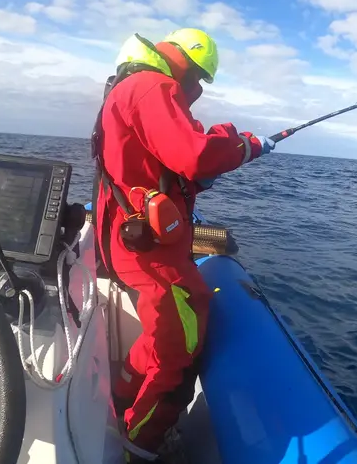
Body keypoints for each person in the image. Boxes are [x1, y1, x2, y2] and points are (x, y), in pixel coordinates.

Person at [91, 28, 275, 462]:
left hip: (127, 239)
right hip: (150, 251)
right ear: (186, 65)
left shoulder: (127, 88)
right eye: (198, 80)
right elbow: (193, 153)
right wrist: (245, 147)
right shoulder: (153, 87)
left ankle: (121, 399)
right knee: (179, 350)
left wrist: (195, 178)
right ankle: (140, 444)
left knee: (161, 334)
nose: (195, 91)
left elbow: (158, 165)